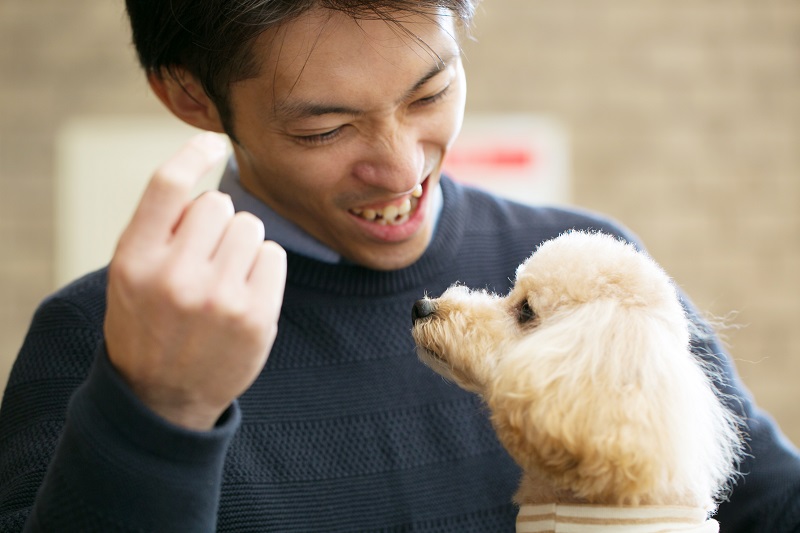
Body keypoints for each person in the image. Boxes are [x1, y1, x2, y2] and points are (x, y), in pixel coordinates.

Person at [1, 1, 799, 531]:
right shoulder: (96, 343)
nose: (399, 166)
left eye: (430, 92)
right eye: (326, 127)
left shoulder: (593, 277)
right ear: (189, 97)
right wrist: (160, 412)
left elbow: (769, 504)